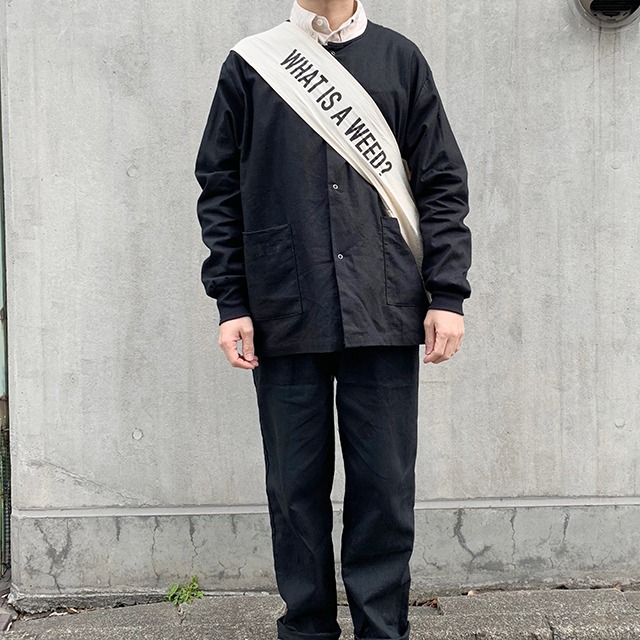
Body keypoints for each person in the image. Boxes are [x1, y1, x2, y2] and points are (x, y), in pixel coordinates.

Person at [194, 1, 472, 638]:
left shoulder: (400, 59)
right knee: (293, 493)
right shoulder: (252, 65)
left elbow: (440, 180)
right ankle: (307, 630)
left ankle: (382, 630)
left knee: (384, 490)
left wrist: (447, 294)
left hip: (384, 305)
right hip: (282, 305)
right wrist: (231, 301)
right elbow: (219, 186)